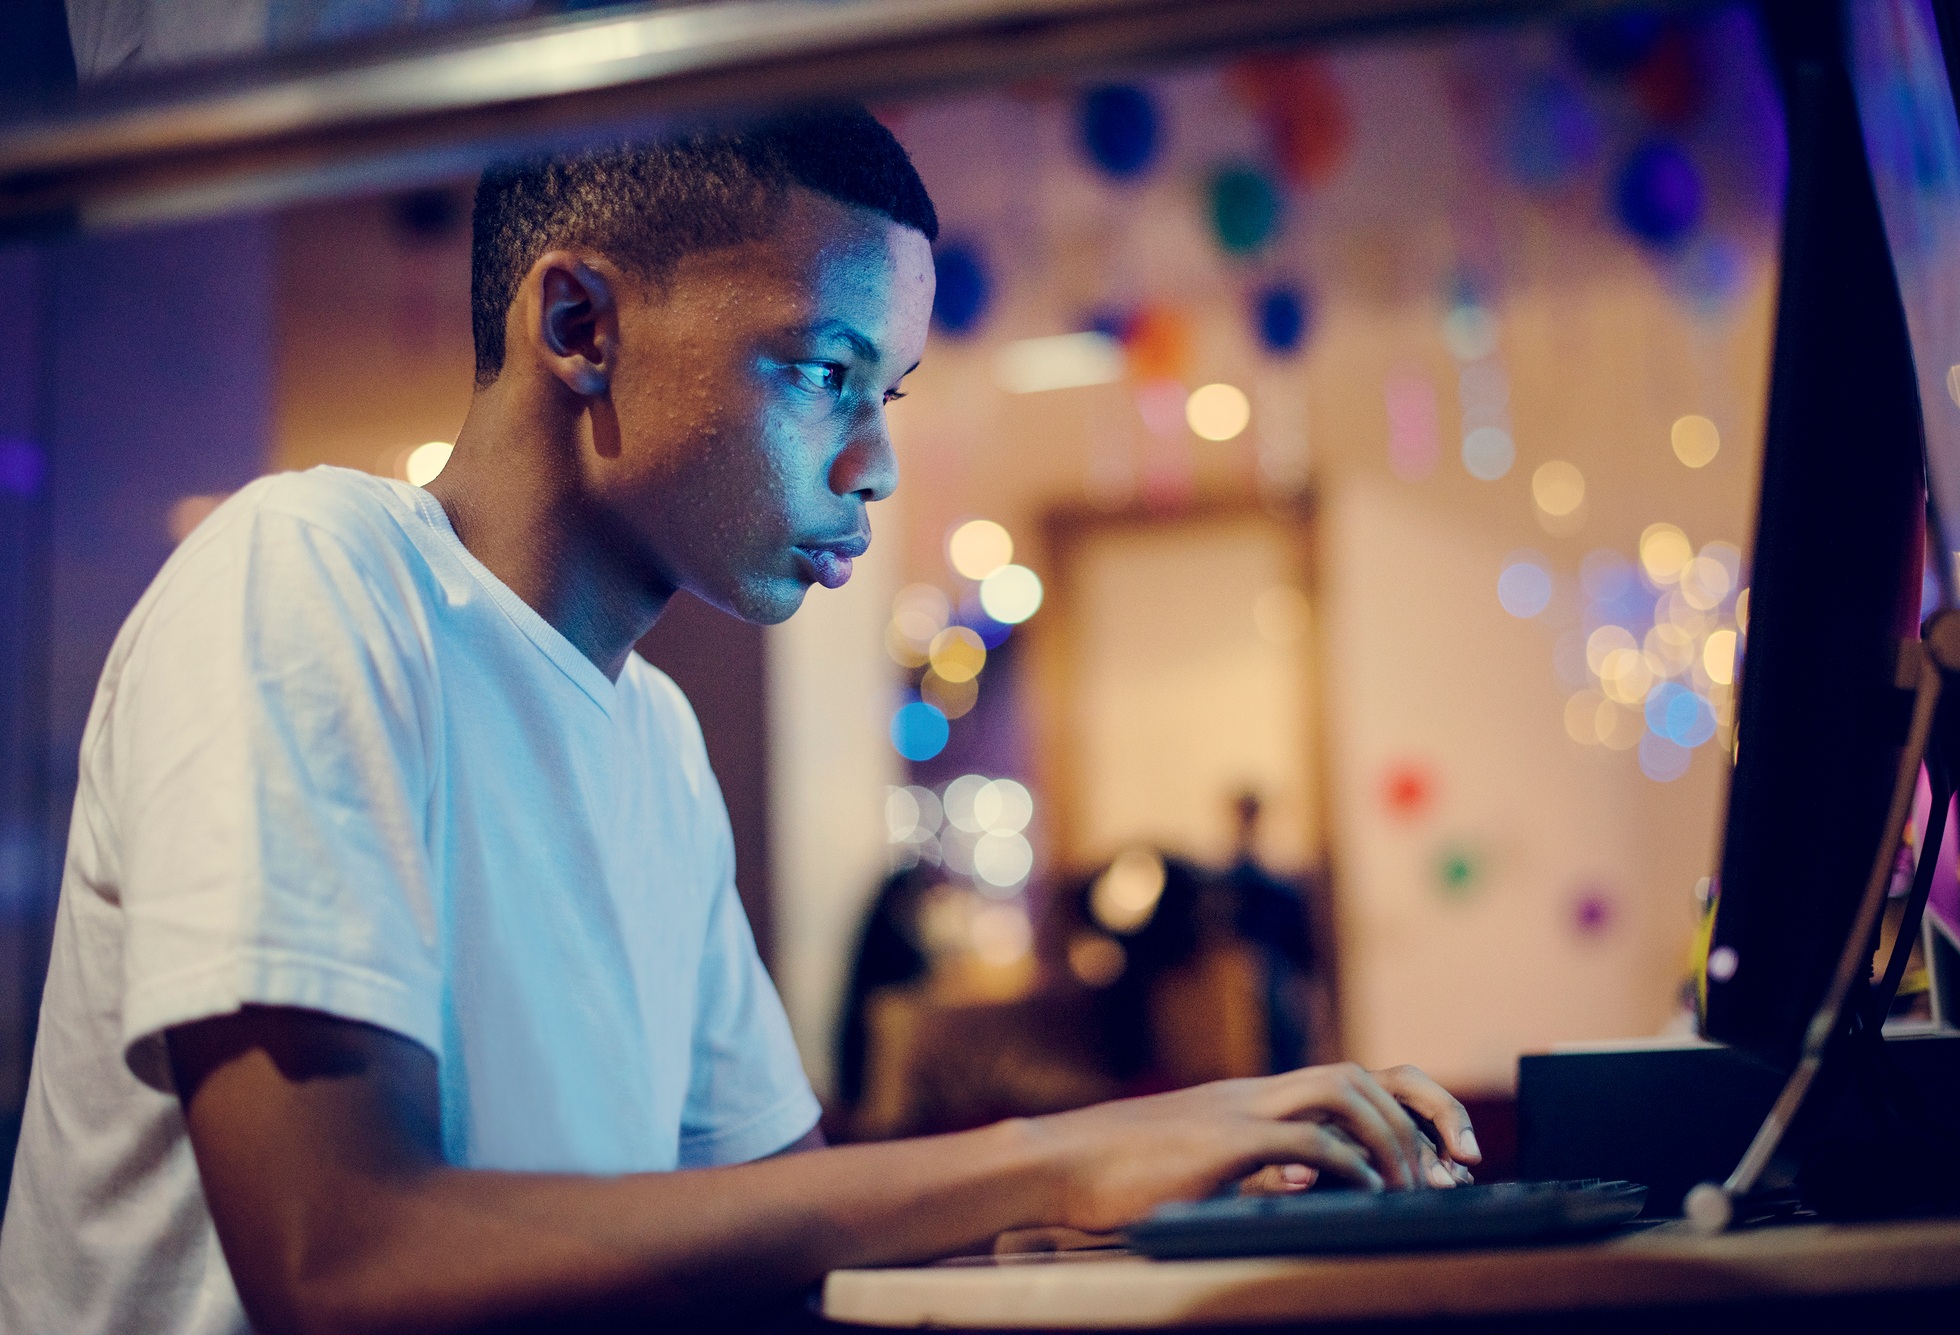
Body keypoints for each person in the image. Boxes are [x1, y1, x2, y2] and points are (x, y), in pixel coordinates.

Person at [0, 108, 1479, 1334]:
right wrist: (1055, 1155)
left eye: (886, 389)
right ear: (580, 323)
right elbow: (344, 1260)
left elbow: (773, 1232)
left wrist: (1179, 1208)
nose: (878, 462)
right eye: (822, 373)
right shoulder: (310, 575)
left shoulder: (654, 742)